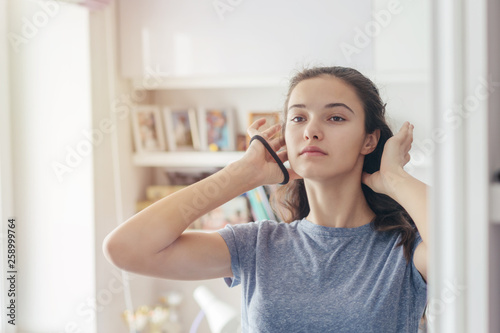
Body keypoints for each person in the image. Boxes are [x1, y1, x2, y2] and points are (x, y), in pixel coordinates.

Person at [103, 66, 428, 332]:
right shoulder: (257, 245)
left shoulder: (403, 249)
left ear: (369, 140)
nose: (311, 131)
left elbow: (468, 252)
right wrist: (243, 173)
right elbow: (126, 249)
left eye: (335, 118)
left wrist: (396, 179)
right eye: (298, 118)